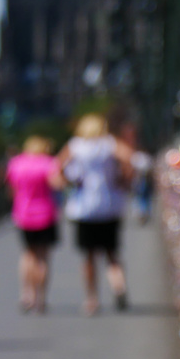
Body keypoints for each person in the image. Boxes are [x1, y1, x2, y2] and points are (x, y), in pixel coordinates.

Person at [59, 114, 129, 314]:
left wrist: (71, 182)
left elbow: (58, 166)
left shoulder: (76, 146)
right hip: (109, 205)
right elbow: (129, 159)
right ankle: (118, 285)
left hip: (85, 209)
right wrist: (122, 180)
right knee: (111, 253)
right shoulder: (109, 144)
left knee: (89, 256)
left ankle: (92, 299)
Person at [4, 135, 61, 313]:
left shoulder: (16, 163)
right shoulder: (49, 163)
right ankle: (42, 298)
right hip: (45, 214)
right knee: (43, 257)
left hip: (23, 214)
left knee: (28, 254)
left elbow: (12, 189)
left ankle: (27, 294)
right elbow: (57, 184)